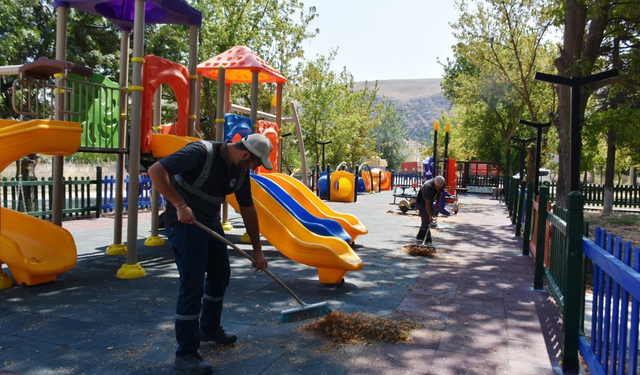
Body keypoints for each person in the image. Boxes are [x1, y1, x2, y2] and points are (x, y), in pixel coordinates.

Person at [148, 133, 272, 375]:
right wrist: (180, 205)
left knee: (220, 274)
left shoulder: (240, 170)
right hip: (183, 221)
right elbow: (155, 171)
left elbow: (248, 209)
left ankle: (209, 328)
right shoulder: (200, 152)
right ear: (246, 154)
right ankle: (185, 354)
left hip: (209, 222)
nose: (255, 168)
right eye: (256, 163)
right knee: (192, 285)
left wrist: (258, 251)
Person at [415, 176, 446, 244]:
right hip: (422, 201)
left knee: (426, 219)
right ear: (434, 183)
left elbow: (439, 193)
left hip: (430, 200)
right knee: (426, 219)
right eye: (437, 186)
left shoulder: (442, 184)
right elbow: (427, 203)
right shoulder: (428, 187)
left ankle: (420, 236)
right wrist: (430, 215)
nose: (438, 188)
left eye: (440, 186)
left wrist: (437, 202)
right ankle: (428, 240)